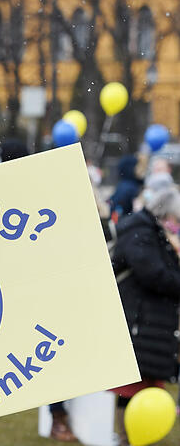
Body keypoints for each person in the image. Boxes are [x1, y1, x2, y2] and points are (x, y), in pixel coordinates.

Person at [110, 185, 180, 446]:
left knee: (148, 384)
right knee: (132, 389)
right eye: (175, 219)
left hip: (151, 322)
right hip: (140, 321)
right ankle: (127, 436)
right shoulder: (141, 232)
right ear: (165, 213)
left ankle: (142, 433)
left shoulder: (149, 231)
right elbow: (154, 274)